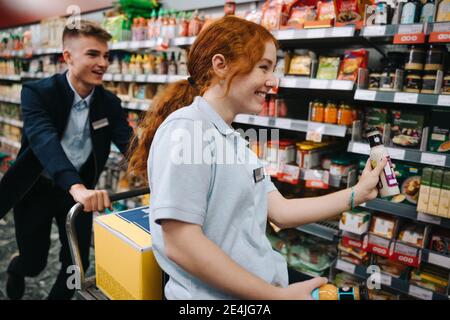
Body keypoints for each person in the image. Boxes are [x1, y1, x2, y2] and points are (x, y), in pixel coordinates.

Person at [127, 15, 387, 300]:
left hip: (260, 285)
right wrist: (274, 297)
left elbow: (281, 212)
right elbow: (181, 243)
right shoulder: (187, 129)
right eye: (264, 67)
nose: (272, 81)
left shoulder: (234, 140)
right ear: (220, 65)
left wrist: (357, 194)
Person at [0, 20, 133, 300]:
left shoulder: (109, 103)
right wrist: (76, 187)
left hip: (78, 194)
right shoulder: (38, 93)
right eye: (93, 54)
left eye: (106, 56)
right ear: (68, 57)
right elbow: (44, 141)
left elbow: (131, 146)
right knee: (34, 262)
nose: (103, 63)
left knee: (77, 266)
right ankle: (17, 266)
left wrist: (160, 167)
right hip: (37, 189)